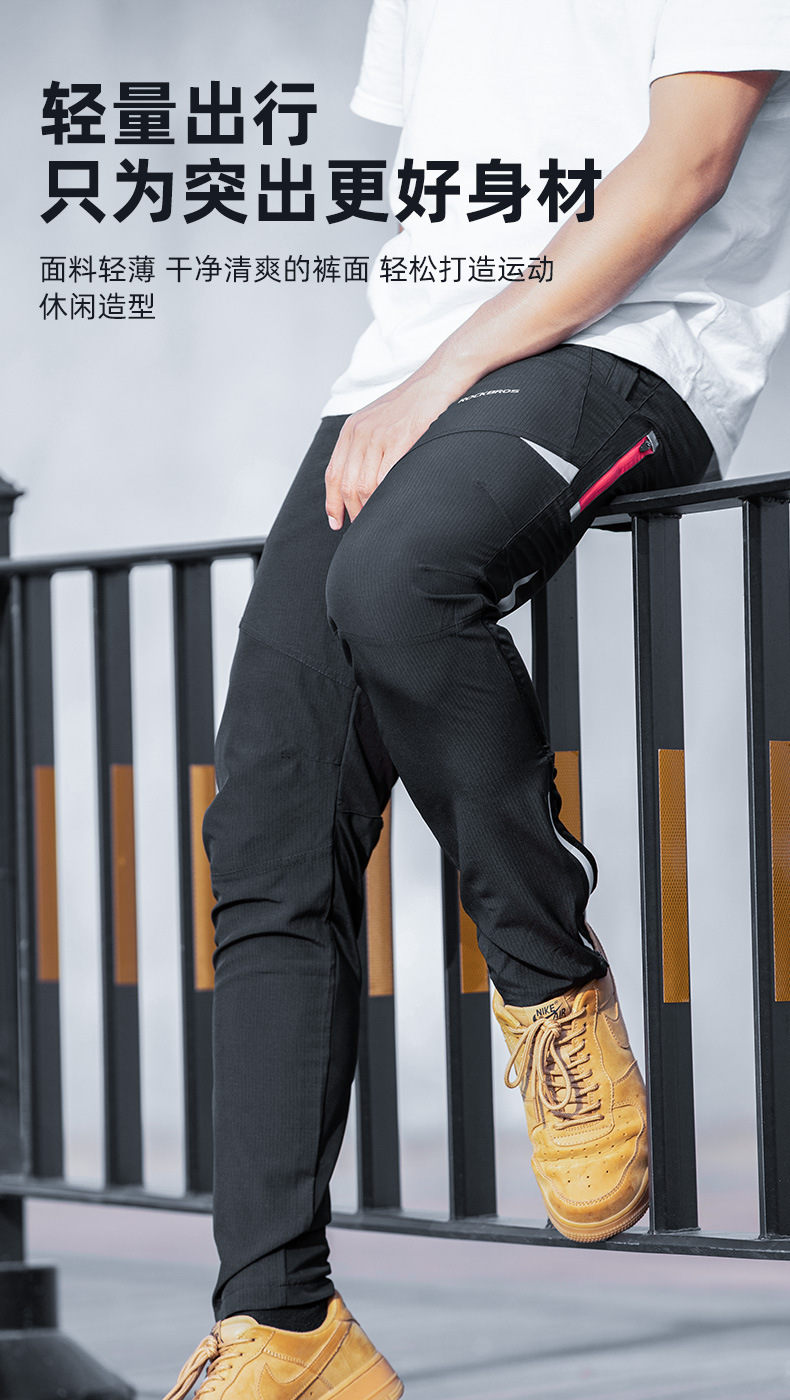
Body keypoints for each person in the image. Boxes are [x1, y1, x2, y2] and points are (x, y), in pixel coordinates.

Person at [163, 3, 790, 1397]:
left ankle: (547, 975)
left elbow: (687, 161)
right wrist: (413, 371)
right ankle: (281, 1325)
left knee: (398, 582)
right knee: (267, 825)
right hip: (400, 377)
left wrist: (449, 370)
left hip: (630, 346)